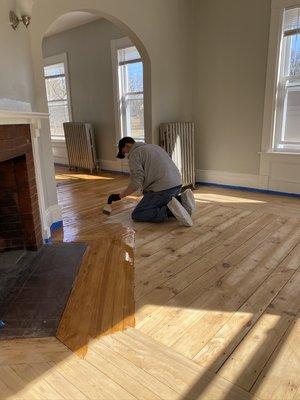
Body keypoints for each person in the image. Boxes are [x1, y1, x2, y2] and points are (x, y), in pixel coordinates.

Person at [107, 137, 196, 226]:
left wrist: (119, 196)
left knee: (138, 214)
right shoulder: (154, 147)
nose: (126, 154)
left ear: (127, 145)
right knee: (147, 193)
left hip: (164, 190)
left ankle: (169, 211)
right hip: (177, 185)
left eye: (124, 152)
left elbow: (136, 183)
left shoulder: (135, 154)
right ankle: (181, 200)